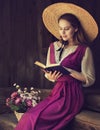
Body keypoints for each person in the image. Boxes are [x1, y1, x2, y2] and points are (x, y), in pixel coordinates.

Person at [15, 2, 98, 130]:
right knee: (29, 115)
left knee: (39, 119)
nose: (62, 32)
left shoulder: (83, 50)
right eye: (60, 28)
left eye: (67, 28)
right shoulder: (53, 46)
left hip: (72, 95)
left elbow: (90, 79)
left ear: (75, 28)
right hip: (56, 92)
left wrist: (69, 71)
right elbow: (50, 72)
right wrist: (50, 75)